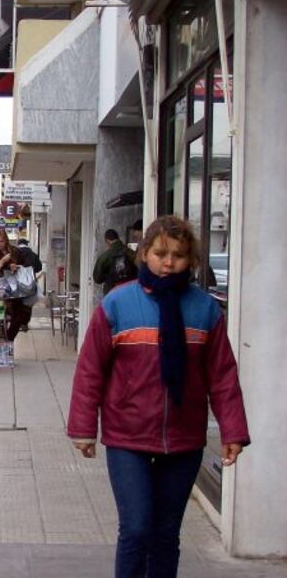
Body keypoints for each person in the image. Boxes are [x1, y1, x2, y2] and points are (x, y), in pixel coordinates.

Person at [68, 216, 249, 578]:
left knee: (166, 534)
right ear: (144, 254)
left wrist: (233, 431)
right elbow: (90, 370)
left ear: (192, 261)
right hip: (127, 436)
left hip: (184, 439)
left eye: (179, 255)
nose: (169, 263)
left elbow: (222, 375)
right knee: (135, 530)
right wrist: (84, 428)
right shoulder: (117, 305)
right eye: (161, 253)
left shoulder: (206, 309)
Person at [0, 229, 31, 341]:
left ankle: (8, 339)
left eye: (2, 241)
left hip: (17, 288)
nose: (1, 244)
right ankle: (1, 339)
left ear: (6, 241)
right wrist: (2, 262)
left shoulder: (15, 251)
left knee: (19, 315)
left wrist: (17, 266)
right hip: (1, 289)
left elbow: (26, 265)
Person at [94, 228, 138, 296]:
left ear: (107, 241)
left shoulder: (105, 256)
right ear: (118, 238)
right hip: (129, 293)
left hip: (111, 294)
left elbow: (97, 279)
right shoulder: (131, 253)